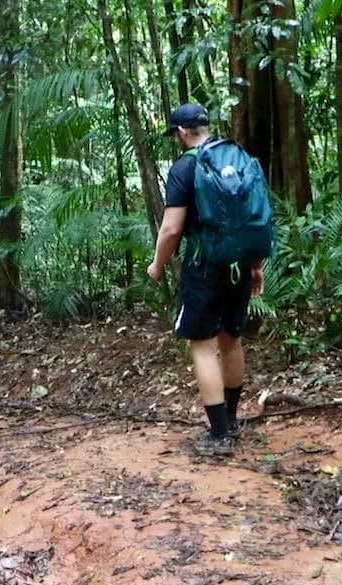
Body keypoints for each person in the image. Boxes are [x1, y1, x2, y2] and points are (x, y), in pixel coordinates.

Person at [147, 103, 265, 455]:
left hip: (204, 265)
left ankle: (218, 435)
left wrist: (157, 265)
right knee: (231, 339)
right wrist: (255, 264)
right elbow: (255, 216)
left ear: (182, 132)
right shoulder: (237, 157)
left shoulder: (186, 166)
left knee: (202, 345)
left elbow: (171, 228)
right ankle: (230, 420)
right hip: (240, 263)